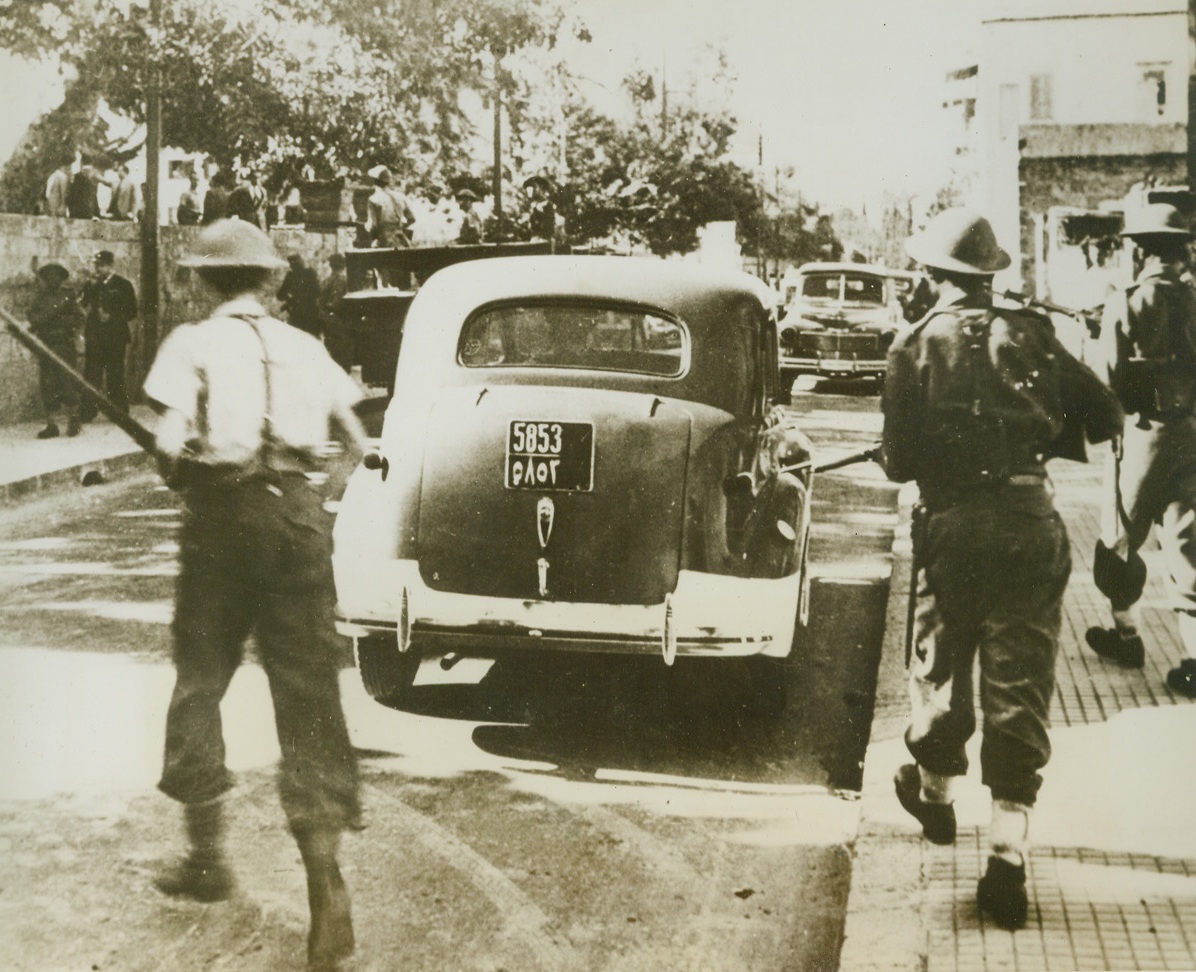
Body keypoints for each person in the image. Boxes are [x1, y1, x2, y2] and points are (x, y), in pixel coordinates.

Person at [882, 208, 1121, 930]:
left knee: (940, 665)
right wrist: (1036, 434)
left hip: (954, 528)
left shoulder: (914, 346)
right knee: (1021, 683)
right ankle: (1008, 862)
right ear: (990, 279)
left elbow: (898, 462)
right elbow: (1106, 415)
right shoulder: (1035, 335)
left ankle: (936, 795)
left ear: (933, 278)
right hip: (1029, 524)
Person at [144, 218, 365, 971]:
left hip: (222, 525)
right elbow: (358, 446)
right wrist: (311, 500)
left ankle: (206, 862)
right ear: (269, 281)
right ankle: (326, 887)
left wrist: (178, 469)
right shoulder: (307, 347)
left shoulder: (193, 345)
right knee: (308, 697)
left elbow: (172, 446)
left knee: (201, 679)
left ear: (204, 281)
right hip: (299, 525)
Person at [1084, 202, 1196, 698]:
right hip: (1193, 432)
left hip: (1144, 433)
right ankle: (1193, 660)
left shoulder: (1127, 300)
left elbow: (1108, 380)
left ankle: (1127, 637)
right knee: (1189, 541)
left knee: (1120, 536)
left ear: (1141, 248)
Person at [27, 263, 83, 438]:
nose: (53, 280)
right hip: (46, 345)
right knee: (48, 385)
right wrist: (44, 321)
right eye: (49, 276)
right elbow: (32, 316)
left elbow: (79, 316)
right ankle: (52, 426)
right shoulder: (39, 297)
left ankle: (74, 421)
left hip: (64, 346)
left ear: (61, 278)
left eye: (57, 276)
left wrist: (65, 324)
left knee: (67, 383)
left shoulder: (68, 296)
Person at [79, 250, 138, 419]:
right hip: (95, 336)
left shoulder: (123, 285)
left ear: (111, 266)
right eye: (96, 265)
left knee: (115, 373)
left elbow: (132, 311)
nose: (98, 269)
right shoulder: (92, 284)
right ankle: (88, 411)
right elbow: (81, 303)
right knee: (92, 373)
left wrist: (112, 316)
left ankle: (118, 412)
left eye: (101, 266)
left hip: (115, 336)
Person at [365, 165, 415, 249]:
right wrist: (399, 226)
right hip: (401, 240)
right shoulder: (401, 196)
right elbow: (412, 219)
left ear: (375, 181)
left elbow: (372, 226)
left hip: (384, 241)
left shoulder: (373, 199)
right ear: (388, 181)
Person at [319, 253, 352, 372]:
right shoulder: (342, 280)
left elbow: (320, 301)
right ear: (343, 265)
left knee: (332, 349)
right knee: (342, 352)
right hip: (338, 319)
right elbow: (337, 303)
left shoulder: (326, 281)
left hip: (327, 318)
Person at [278, 253, 323, 337]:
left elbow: (317, 292)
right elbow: (280, 295)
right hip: (305, 314)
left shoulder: (302, 274)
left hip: (304, 314)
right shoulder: (306, 273)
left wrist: (293, 297)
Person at [523, 175, 556, 247]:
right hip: (534, 238)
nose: (533, 190)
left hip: (545, 239)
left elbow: (550, 224)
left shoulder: (548, 205)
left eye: (535, 187)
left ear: (541, 188)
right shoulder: (532, 205)